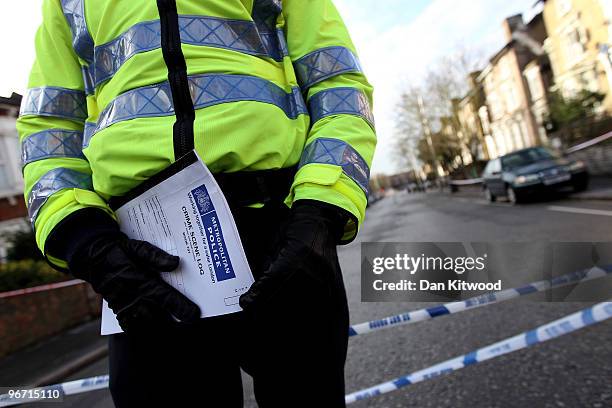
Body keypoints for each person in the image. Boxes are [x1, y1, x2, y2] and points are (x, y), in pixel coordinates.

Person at [17, 0, 376, 406]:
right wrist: (82, 237)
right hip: (144, 256)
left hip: (283, 230)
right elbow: (48, 126)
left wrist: (321, 210)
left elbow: (339, 85)